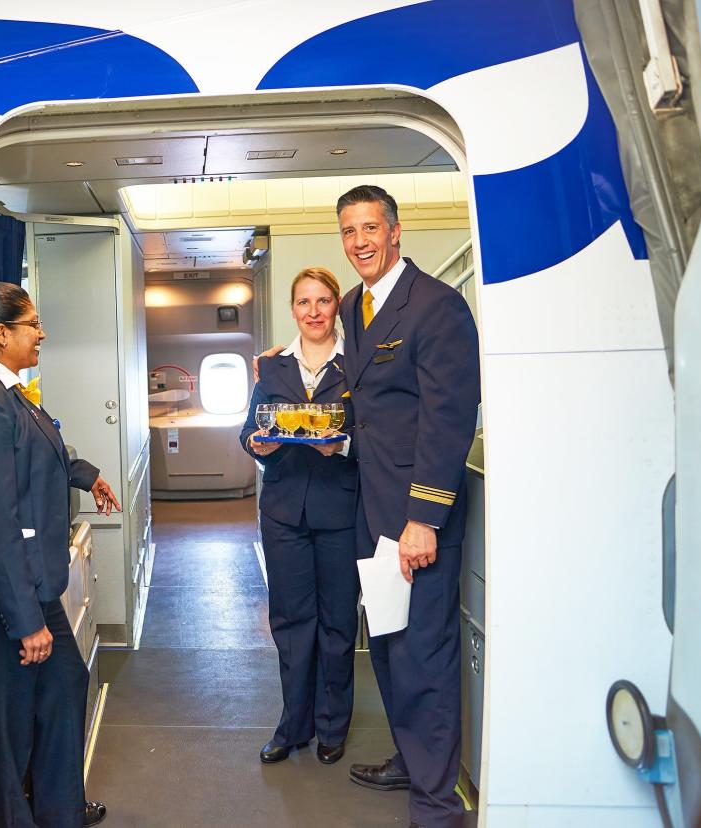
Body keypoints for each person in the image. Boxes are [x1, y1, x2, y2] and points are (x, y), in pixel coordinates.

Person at [336, 185, 480, 828]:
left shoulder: (437, 307)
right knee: (389, 646)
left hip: (417, 516)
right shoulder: (352, 305)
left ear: (396, 232)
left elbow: (448, 417)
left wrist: (424, 516)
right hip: (373, 509)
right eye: (349, 231)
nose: (360, 241)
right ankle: (412, 758)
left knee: (423, 653)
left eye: (370, 228)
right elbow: (370, 403)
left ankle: (436, 803)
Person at [0, 282, 121, 828]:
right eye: (31, 324)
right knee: (7, 734)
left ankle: (62, 811)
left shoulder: (12, 393)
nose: (42, 333)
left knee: (65, 686)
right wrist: (27, 622)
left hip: (37, 585)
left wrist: (89, 475)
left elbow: (44, 454)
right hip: (12, 599)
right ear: (0, 333)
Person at [240, 267, 360, 767]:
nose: (313, 312)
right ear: (292, 310)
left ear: (337, 307)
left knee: (336, 622)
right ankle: (294, 723)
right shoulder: (272, 368)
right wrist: (258, 445)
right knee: (290, 622)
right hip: (285, 511)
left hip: (340, 508)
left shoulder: (357, 365)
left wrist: (345, 443)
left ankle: (332, 724)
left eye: (323, 301)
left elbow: (375, 433)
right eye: (304, 302)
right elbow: (250, 430)